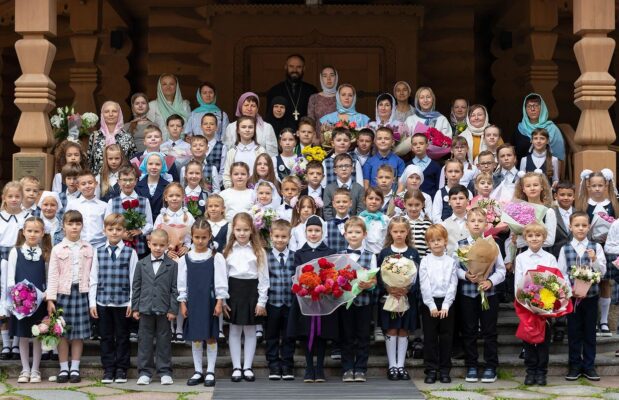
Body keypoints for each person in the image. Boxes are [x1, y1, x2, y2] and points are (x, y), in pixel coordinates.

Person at [457, 207, 506, 384]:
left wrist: (490, 281)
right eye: (473, 221)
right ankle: (471, 365)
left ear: (486, 224)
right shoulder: (460, 244)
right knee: (469, 330)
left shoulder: (493, 244)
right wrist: (465, 275)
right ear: (467, 224)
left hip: (489, 293)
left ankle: (490, 366)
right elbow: (454, 269)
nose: (476, 224)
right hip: (468, 294)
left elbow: (501, 270)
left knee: (489, 331)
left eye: (480, 221)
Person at [88, 213, 138, 384]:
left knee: (123, 336)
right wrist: (92, 302)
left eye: (118, 229)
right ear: (105, 231)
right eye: (111, 229)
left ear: (124, 231)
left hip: (123, 302)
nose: (115, 232)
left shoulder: (130, 253)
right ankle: (108, 369)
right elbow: (93, 278)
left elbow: (134, 279)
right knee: (106, 336)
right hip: (103, 301)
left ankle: (122, 369)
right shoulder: (99, 251)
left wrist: (132, 301)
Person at [177, 218, 228, 387]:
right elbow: (182, 283)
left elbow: (221, 281)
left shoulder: (216, 257)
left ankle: (210, 371)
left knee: (211, 336)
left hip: (210, 301)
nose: (200, 241)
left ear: (209, 237)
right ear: (192, 236)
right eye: (197, 237)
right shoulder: (185, 258)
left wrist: (220, 301)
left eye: (203, 238)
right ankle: (198, 370)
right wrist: (183, 302)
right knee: (196, 337)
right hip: (193, 302)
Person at [47, 210, 94, 384]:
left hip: (81, 293)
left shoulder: (88, 248)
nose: (74, 227)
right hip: (63, 294)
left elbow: (92, 274)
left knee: (78, 334)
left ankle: (75, 367)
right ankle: (63, 368)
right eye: (70, 224)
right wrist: (51, 299)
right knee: (62, 333)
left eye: (77, 224)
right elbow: (52, 274)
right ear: (63, 226)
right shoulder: (58, 249)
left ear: (82, 225)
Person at [288, 215, 336, 383]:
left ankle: (320, 369)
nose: (313, 234)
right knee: (307, 333)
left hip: (323, 300)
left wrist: (325, 286)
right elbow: (297, 274)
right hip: (306, 300)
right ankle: (309, 368)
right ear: (305, 231)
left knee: (321, 334)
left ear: (322, 232)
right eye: (310, 230)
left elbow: (331, 273)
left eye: (317, 231)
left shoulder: (329, 252)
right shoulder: (300, 253)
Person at [559, 211, 606, 381]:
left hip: (591, 297)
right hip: (572, 299)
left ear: (589, 227)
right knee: (573, 331)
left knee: (589, 332)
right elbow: (561, 272)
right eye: (577, 225)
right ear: (570, 227)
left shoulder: (596, 247)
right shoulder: (565, 249)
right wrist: (569, 289)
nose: (580, 228)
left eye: (584, 225)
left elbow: (603, 272)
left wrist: (594, 261)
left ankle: (589, 366)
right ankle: (574, 365)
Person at [222, 212, 269, 383]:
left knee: (250, 330)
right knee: (234, 330)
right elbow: (223, 277)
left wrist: (261, 301)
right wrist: (224, 299)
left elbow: (264, 278)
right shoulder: (227, 251)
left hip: (252, 291)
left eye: (245, 230)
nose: (242, 233)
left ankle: (247, 367)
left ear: (252, 231)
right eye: (238, 230)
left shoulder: (259, 251)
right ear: (233, 230)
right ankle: (236, 367)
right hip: (233, 291)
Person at [514, 222, 559, 386]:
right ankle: (530, 371)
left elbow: (555, 281)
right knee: (528, 339)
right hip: (526, 306)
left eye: (538, 235)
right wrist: (523, 301)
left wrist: (547, 302)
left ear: (544, 238)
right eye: (530, 236)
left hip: (545, 307)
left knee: (543, 340)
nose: (534, 239)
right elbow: (518, 281)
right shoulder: (520, 258)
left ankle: (541, 372)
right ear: (525, 238)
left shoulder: (550, 258)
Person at [6, 217, 50, 384]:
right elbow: (11, 278)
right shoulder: (15, 252)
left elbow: (46, 276)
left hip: (39, 302)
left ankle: (36, 369)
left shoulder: (44, 253)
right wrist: (13, 300)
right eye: (29, 231)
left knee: (38, 335)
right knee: (23, 336)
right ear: (23, 232)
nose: (32, 234)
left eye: (36, 231)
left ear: (42, 233)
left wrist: (45, 294)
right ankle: (25, 369)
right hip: (21, 303)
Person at [576, 169, 619, 337]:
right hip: (589, 246)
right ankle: (590, 320)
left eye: (600, 185)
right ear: (588, 186)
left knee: (605, 283)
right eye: (593, 185)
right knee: (588, 282)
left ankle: (603, 321)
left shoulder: (613, 204)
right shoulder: (584, 204)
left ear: (606, 185)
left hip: (608, 248)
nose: (597, 189)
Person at [132, 229, 179, 386]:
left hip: (164, 310)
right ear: (149, 244)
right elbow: (136, 287)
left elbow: (174, 289)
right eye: (155, 245)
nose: (158, 248)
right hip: (145, 308)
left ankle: (164, 371)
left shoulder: (172, 265)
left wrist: (173, 309)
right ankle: (145, 372)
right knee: (144, 341)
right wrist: (135, 307)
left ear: (167, 246)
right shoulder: (141, 264)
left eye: (162, 245)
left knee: (164, 340)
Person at [378, 216, 420, 381]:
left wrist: (406, 289)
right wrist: (389, 288)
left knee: (404, 329)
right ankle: (392, 366)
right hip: (389, 298)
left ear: (408, 232)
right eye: (395, 231)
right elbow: (380, 276)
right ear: (390, 232)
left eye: (402, 231)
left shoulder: (413, 253)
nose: (399, 234)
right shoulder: (385, 252)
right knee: (391, 328)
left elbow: (417, 276)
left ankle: (401, 365)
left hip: (407, 298)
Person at [340, 217, 377, 383]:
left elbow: (375, 281)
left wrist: (368, 284)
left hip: (364, 302)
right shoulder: (340, 256)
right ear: (344, 234)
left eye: (357, 232)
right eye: (350, 232)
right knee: (346, 336)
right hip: (345, 303)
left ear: (365, 234)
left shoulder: (371, 256)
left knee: (363, 335)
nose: (353, 235)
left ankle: (361, 368)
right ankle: (347, 368)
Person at [419, 224, 458, 384]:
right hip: (430, 303)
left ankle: (444, 370)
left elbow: (453, 283)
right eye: (432, 241)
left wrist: (446, 305)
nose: (436, 243)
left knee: (446, 337)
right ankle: (431, 369)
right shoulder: (425, 261)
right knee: (430, 337)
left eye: (439, 240)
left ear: (445, 241)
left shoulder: (451, 261)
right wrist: (431, 305)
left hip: (447, 302)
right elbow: (424, 283)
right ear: (428, 243)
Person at [265, 219, 296, 381]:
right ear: (271, 235)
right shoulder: (265, 256)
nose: (280, 239)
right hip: (272, 302)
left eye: (283, 236)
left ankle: (287, 364)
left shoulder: (294, 256)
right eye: (276, 236)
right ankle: (274, 365)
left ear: (289, 237)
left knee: (289, 335)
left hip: (290, 303)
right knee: (271, 335)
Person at [105, 165, 154, 258]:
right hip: (118, 246)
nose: (127, 183)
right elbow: (107, 224)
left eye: (131, 180)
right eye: (124, 180)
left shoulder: (144, 201)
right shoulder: (112, 202)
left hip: (139, 247)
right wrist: (121, 234)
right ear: (119, 182)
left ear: (136, 181)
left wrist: (140, 231)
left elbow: (150, 224)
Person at [88, 101, 137, 175]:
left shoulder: (127, 137)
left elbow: (133, 161)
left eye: (114, 111)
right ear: (102, 114)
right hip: (99, 181)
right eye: (107, 111)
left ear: (119, 114)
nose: (110, 114)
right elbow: (89, 161)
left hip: (122, 182)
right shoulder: (95, 136)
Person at [266, 54, 318, 123]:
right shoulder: (274, 91)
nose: (294, 70)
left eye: (298, 67)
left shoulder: (312, 90)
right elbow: (269, 117)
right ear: (285, 67)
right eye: (291, 66)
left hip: (305, 131)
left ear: (304, 68)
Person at [223, 93, 278, 157]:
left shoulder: (267, 128)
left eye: (253, 106)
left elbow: (272, 155)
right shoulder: (231, 127)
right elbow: (226, 152)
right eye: (246, 105)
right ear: (240, 107)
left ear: (257, 109)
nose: (249, 108)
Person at [514, 93, 565, 162]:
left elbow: (559, 158)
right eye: (529, 106)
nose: (532, 109)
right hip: (522, 171)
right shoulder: (520, 129)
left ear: (542, 108)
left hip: (547, 170)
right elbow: (512, 154)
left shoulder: (552, 129)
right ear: (525, 109)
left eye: (536, 106)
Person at [65, 171, 107, 249]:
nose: (87, 186)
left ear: (96, 184)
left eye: (90, 183)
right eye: (83, 184)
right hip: (77, 246)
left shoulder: (104, 206)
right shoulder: (72, 204)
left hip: (100, 246)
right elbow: (67, 224)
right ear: (78, 187)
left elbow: (107, 227)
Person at [403, 86, 451, 151]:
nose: (425, 100)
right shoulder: (410, 120)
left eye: (428, 97)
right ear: (418, 101)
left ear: (433, 99)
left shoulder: (442, 119)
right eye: (422, 97)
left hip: (437, 159)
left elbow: (448, 141)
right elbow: (405, 142)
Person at [147, 74, 191, 141]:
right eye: (164, 84)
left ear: (176, 86)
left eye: (171, 84)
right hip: (160, 147)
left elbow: (189, 129)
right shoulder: (152, 106)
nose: (168, 87)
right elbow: (149, 130)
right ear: (159, 87)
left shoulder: (185, 105)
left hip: (182, 147)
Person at [324, 154, 365, 221]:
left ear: (352, 168)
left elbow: (361, 211)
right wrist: (333, 225)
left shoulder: (359, 188)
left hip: (354, 226)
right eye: (340, 166)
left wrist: (354, 225)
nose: (344, 169)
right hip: (334, 226)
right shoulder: (328, 189)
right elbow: (327, 210)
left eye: (347, 166)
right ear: (335, 170)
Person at [409, 133, 441, 199]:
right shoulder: (408, 165)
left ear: (427, 145)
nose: (418, 146)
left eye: (421, 143)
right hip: (412, 203)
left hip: (431, 202)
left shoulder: (436, 166)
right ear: (412, 148)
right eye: (415, 144)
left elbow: (439, 188)